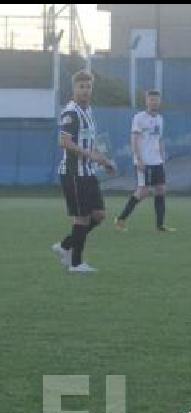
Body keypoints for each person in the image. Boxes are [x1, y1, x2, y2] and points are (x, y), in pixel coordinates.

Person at [51, 70, 116, 273]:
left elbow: (89, 143)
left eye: (88, 87)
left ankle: (65, 246)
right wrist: (89, 154)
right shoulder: (71, 113)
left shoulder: (88, 111)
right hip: (73, 172)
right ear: (74, 89)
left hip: (87, 171)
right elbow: (64, 142)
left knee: (99, 215)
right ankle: (76, 264)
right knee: (82, 217)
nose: (85, 91)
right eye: (81, 87)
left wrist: (104, 161)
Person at [115, 89, 175, 232]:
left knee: (161, 189)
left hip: (157, 161)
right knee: (143, 191)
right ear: (146, 101)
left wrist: (162, 156)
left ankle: (160, 226)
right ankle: (120, 219)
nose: (154, 102)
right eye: (151, 99)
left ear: (160, 101)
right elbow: (134, 139)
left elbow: (159, 139)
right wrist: (139, 159)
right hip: (144, 161)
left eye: (156, 99)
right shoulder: (139, 118)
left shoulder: (160, 119)